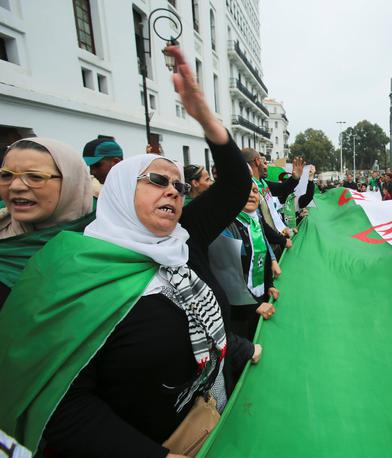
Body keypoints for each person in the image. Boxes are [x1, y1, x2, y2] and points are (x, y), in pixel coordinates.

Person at [0, 45, 258, 457]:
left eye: (180, 185)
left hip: (214, 418)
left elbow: (233, 186)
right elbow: (65, 404)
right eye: (157, 180)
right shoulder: (76, 268)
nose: (174, 189)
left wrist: (204, 117)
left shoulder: (180, 240)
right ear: (119, 192)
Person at [0, 138, 94, 307]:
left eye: (35, 177)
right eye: (6, 175)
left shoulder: (109, 240)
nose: (15, 186)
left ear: (71, 182)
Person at [209, 182, 278, 341]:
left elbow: (264, 255)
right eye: (245, 190)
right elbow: (226, 273)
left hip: (258, 298)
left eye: (254, 191)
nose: (251, 195)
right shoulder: (226, 224)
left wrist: (269, 285)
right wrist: (254, 306)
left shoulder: (255, 221)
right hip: (239, 310)